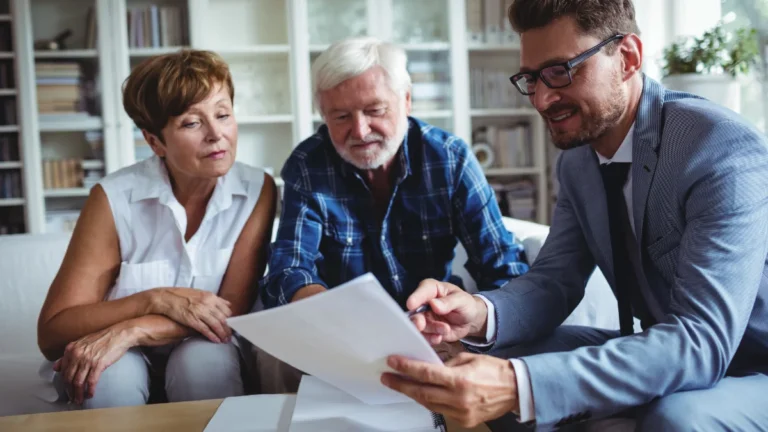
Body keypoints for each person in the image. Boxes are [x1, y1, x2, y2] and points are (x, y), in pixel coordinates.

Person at [380, 1, 768, 431]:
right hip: (662, 349)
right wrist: (478, 312)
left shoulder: (718, 147)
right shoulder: (578, 162)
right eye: (531, 78)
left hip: (750, 362)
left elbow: (702, 341)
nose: (543, 99)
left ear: (628, 57)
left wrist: (518, 386)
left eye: (562, 71)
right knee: (488, 359)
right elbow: (554, 281)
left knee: (678, 418)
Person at [256, 36, 529, 392]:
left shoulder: (451, 159)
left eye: (374, 110)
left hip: (431, 328)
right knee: (276, 356)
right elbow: (289, 268)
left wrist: (467, 317)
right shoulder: (308, 165)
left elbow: (504, 267)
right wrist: (326, 310)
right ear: (323, 116)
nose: (359, 130)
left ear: (406, 101)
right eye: (340, 116)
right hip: (339, 333)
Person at [36, 50, 277, 409]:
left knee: (204, 362)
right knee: (109, 378)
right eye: (191, 123)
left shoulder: (258, 190)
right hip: (119, 355)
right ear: (155, 142)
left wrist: (131, 329)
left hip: (203, 345)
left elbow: (229, 313)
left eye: (223, 114)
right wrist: (155, 299)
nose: (217, 135)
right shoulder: (113, 198)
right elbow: (54, 333)